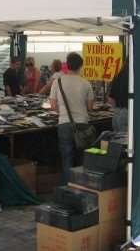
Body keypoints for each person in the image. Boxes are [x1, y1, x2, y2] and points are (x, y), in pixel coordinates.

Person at [50, 52, 94, 183]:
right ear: (81, 66)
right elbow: (90, 108)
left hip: (64, 123)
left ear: (67, 65)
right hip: (82, 124)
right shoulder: (86, 83)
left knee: (66, 158)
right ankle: (81, 186)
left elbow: (53, 105)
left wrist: (62, 111)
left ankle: (67, 189)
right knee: (82, 158)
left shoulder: (57, 82)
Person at [108, 59, 129, 132]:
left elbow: (111, 99)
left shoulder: (118, 75)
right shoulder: (134, 77)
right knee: (125, 141)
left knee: (117, 140)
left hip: (116, 113)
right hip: (127, 113)